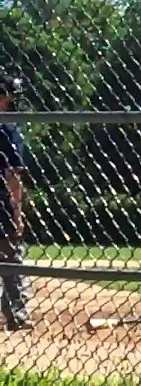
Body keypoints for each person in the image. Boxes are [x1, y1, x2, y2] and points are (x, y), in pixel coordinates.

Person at [0, 75, 32, 331]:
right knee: (12, 259)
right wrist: (17, 213)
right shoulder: (8, 129)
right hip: (1, 206)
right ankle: (16, 314)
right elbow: (13, 176)